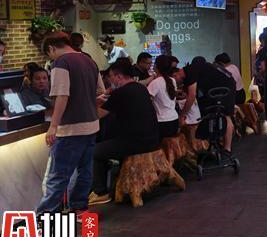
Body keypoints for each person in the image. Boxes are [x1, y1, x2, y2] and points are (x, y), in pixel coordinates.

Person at [37, 32, 105, 218]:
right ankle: (80, 208)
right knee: (85, 171)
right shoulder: (89, 61)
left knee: (58, 175)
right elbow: (101, 92)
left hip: (70, 128)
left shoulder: (61, 63)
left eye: (49, 54)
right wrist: (85, 101)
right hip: (91, 125)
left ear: (51, 48)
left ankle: (46, 217)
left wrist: (53, 126)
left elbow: (62, 95)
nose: (51, 58)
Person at [89, 60, 160, 205]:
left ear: (119, 76)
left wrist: (91, 104)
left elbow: (97, 115)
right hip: (153, 139)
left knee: (94, 151)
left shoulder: (121, 93)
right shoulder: (140, 88)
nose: (110, 81)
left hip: (135, 143)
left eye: (111, 77)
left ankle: (100, 192)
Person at [175, 57, 236, 152]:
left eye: (175, 81)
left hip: (226, 85)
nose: (176, 83)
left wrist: (182, 115)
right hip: (225, 83)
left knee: (225, 115)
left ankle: (227, 148)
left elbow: (192, 96)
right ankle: (223, 147)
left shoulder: (191, 71)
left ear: (176, 74)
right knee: (222, 115)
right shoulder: (194, 69)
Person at [147, 55, 180, 140]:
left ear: (156, 66)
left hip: (162, 122)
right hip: (174, 119)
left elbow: (145, 100)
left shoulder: (155, 83)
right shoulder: (172, 80)